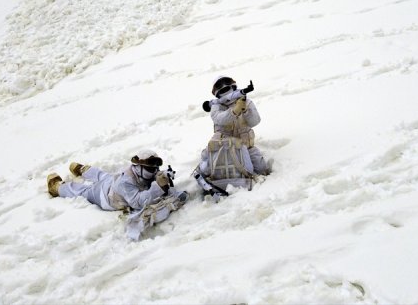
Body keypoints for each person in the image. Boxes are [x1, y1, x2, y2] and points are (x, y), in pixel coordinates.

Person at [46, 149, 187, 240]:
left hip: (113, 182)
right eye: (151, 170)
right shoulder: (126, 181)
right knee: (83, 190)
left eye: (157, 169)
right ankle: (57, 187)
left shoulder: (139, 172)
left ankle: (82, 169)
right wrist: (158, 186)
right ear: (138, 167)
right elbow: (137, 202)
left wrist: (162, 180)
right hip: (106, 197)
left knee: (103, 175)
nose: (155, 172)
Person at [195, 75, 272, 194]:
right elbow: (220, 119)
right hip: (224, 148)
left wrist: (245, 110)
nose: (225, 88)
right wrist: (234, 111)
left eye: (227, 85)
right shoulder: (216, 106)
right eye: (221, 87)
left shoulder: (246, 101)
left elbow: (255, 121)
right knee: (207, 166)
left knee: (261, 168)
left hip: (246, 146)